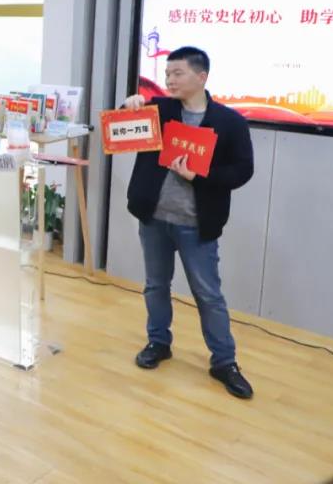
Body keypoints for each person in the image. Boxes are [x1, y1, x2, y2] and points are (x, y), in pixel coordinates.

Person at [123, 46, 255, 399]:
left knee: (208, 294)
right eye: (167, 74)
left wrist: (201, 175)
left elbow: (243, 170)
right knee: (155, 285)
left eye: (177, 73)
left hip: (197, 224)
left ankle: (224, 362)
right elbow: (121, 129)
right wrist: (129, 106)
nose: (169, 80)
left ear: (201, 77)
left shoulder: (229, 122)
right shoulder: (159, 110)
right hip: (154, 218)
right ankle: (158, 342)